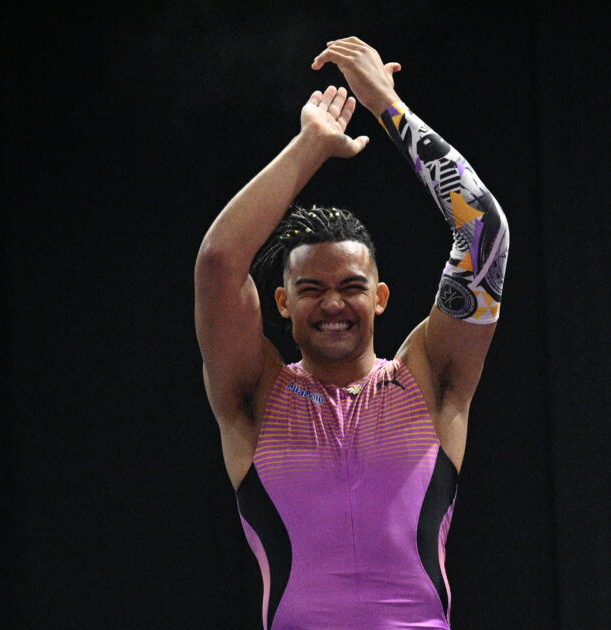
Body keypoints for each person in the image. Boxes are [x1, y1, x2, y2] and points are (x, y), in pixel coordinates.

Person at [194, 36, 508, 630]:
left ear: (380, 298)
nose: (333, 303)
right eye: (311, 289)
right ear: (283, 303)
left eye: (352, 287)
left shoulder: (430, 377)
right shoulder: (256, 394)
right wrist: (309, 147)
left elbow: (484, 234)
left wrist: (389, 107)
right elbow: (218, 264)